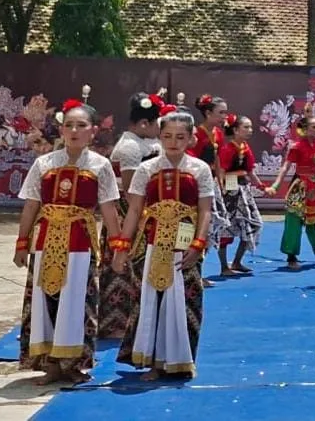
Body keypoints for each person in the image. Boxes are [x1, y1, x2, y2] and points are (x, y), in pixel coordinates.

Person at [15, 99, 123, 386]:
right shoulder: (44, 163)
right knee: (45, 300)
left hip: (80, 242)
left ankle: (74, 364)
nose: (74, 130)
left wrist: (118, 247)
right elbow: (31, 206)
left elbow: (109, 209)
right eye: (69, 125)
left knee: (77, 302)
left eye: (81, 125)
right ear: (61, 130)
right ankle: (50, 364)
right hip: (46, 240)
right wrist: (22, 242)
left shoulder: (100, 166)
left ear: (93, 131)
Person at [114, 107, 214, 381]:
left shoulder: (200, 169)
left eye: (180, 137)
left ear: (191, 139)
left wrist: (198, 244)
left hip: (186, 241)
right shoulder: (147, 169)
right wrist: (122, 246)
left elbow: (206, 210)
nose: (173, 142)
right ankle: (155, 362)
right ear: (159, 137)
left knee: (187, 301)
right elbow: (134, 210)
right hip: (153, 242)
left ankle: (184, 359)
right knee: (152, 299)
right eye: (167, 136)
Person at [100, 92, 162, 340]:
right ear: (144, 124)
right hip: (127, 215)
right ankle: (116, 322)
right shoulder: (129, 148)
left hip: (142, 212)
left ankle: (137, 316)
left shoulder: (146, 143)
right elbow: (130, 190)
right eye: (158, 124)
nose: (160, 129)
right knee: (122, 265)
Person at [265, 115, 315, 269]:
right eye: (314, 127)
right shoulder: (296, 147)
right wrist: (275, 185)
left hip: (314, 188)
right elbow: (285, 167)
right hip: (299, 187)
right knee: (294, 222)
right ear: (304, 130)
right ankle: (291, 257)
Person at [215, 114, 264, 276]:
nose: (250, 130)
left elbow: (250, 171)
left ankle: (236, 261)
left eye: (250, 127)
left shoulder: (246, 148)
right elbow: (221, 171)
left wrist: (262, 187)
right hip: (229, 192)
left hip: (243, 191)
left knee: (254, 224)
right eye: (246, 127)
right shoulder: (228, 149)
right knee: (226, 229)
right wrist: (222, 192)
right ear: (235, 130)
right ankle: (224, 267)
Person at [191, 95, 227, 288]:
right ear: (208, 113)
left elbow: (218, 160)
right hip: (197, 186)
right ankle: (195, 272)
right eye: (221, 113)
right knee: (198, 227)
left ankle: (200, 270)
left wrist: (220, 183)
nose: (224, 117)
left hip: (212, 184)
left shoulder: (219, 134)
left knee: (211, 228)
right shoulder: (196, 134)